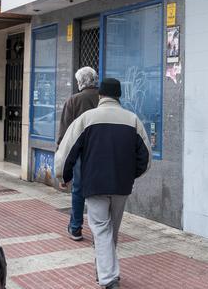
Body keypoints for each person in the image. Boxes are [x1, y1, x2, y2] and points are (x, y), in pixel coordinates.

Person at [54, 79, 150, 289]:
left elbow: (66, 151)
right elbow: (146, 157)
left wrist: (63, 176)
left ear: (100, 95)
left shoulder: (86, 119)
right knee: (111, 230)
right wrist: (130, 175)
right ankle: (105, 271)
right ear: (119, 96)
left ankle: (108, 279)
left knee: (101, 229)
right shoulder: (132, 120)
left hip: (94, 184)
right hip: (121, 186)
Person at [57, 66, 100, 241]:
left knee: (78, 190)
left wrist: (61, 166)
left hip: (82, 153)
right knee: (101, 191)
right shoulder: (104, 99)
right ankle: (101, 229)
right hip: (102, 152)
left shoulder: (73, 101)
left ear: (80, 82)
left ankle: (75, 228)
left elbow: (65, 134)